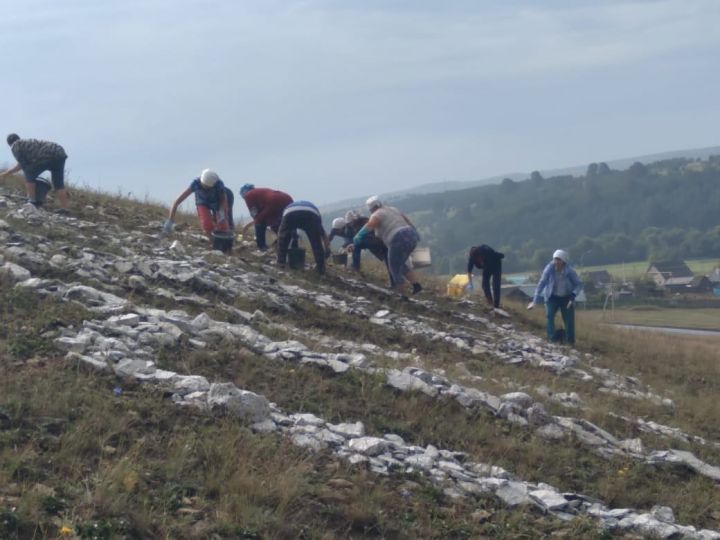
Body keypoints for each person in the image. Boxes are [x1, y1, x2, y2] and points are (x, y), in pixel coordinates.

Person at [352, 196, 421, 297]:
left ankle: (402, 294)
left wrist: (359, 235)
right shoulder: (392, 209)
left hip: (398, 238)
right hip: (411, 235)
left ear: (371, 208)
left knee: (393, 266)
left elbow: (370, 225)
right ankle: (416, 285)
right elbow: (406, 220)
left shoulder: (376, 214)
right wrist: (415, 232)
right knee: (400, 263)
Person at [527, 249, 583, 345]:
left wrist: (573, 296)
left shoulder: (569, 271)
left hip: (567, 298)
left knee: (569, 320)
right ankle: (552, 339)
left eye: (558, 260)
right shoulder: (549, 269)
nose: (556, 262)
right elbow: (542, 283)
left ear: (563, 261)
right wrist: (534, 301)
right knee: (549, 315)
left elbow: (578, 284)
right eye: (555, 259)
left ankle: (570, 342)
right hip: (551, 297)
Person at [0, 133, 69, 210]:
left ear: (9, 143)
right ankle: (65, 208)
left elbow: (22, 165)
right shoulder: (28, 143)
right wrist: (6, 174)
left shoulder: (15, 145)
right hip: (60, 153)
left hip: (48, 155)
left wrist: (5, 174)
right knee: (59, 184)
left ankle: (31, 201)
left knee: (29, 173)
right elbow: (20, 164)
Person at [164, 169, 233, 241]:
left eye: (208, 187)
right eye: (204, 186)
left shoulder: (219, 184)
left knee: (223, 225)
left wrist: (221, 213)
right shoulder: (195, 184)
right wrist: (170, 220)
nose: (206, 189)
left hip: (217, 201)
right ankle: (212, 241)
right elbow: (177, 202)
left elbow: (223, 200)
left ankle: (224, 242)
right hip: (202, 201)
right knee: (207, 224)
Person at [277, 200, 330, 274]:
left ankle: (281, 262)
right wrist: (327, 249)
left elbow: (281, 233)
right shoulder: (317, 215)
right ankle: (320, 268)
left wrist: (281, 238)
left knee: (283, 237)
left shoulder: (288, 208)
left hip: (290, 213)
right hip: (310, 214)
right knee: (316, 242)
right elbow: (323, 234)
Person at [330, 211, 389, 276]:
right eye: (337, 231)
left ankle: (355, 268)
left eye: (339, 230)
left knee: (386, 258)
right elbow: (331, 236)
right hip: (367, 241)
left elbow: (354, 240)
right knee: (387, 258)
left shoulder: (352, 228)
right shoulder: (338, 229)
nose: (339, 232)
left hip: (372, 241)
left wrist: (345, 246)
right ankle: (354, 267)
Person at [239, 184, 293, 250]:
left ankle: (261, 246)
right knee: (281, 223)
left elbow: (254, 213)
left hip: (273, 200)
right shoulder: (260, 192)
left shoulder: (248, 195)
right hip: (287, 199)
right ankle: (288, 245)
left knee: (259, 220)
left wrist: (256, 221)